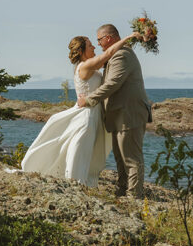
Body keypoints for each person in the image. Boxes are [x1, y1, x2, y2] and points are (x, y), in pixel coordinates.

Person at [20, 30, 142, 186]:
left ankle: (82, 180)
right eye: (91, 46)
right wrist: (128, 37)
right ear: (82, 51)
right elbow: (108, 54)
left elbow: (112, 57)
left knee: (86, 149)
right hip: (87, 114)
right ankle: (74, 180)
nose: (94, 48)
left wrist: (136, 41)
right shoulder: (85, 66)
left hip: (94, 112)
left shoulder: (88, 66)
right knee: (80, 147)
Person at [77, 23, 152, 199]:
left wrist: (88, 100)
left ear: (108, 38)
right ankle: (122, 191)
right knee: (120, 158)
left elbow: (112, 84)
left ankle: (134, 197)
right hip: (120, 115)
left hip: (129, 113)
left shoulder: (122, 55)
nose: (98, 44)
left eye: (99, 40)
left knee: (131, 159)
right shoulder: (116, 55)